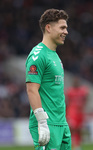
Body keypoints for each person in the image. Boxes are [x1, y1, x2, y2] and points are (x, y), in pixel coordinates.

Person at [25, 9, 71, 150]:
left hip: (61, 122)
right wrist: (42, 122)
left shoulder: (54, 55)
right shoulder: (38, 55)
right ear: (49, 28)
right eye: (62, 27)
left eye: (66, 28)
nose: (66, 32)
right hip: (47, 123)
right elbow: (32, 90)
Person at [66, 76, 89, 150]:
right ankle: (70, 144)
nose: (76, 83)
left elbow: (86, 98)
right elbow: (67, 101)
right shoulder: (69, 91)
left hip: (80, 113)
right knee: (72, 128)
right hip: (71, 112)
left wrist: (83, 106)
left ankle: (77, 145)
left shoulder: (83, 91)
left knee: (79, 129)